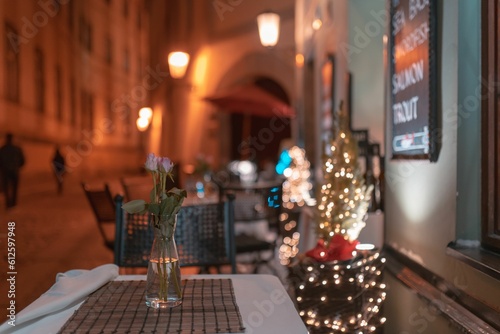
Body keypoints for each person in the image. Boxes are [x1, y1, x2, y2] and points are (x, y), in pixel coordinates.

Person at [0, 133, 25, 208]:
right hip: (15, 171)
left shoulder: (2, 149)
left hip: (5, 171)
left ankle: (8, 203)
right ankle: (13, 203)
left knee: (6, 188)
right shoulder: (17, 149)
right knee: (14, 188)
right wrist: (17, 166)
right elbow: (22, 160)